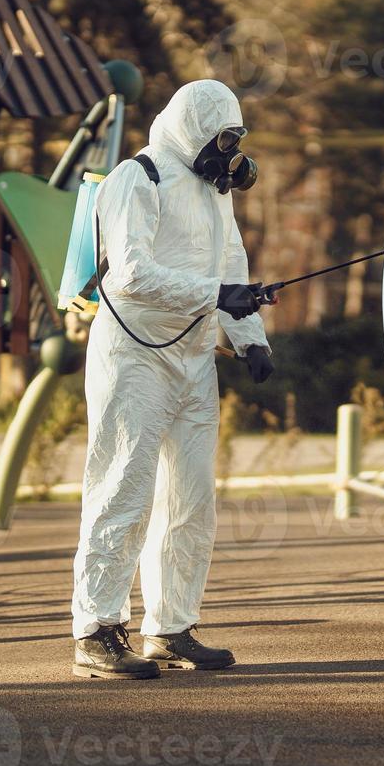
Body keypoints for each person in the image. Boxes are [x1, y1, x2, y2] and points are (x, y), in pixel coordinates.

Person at [72, 80, 275, 680]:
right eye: (223, 136)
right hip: (133, 357)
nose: (229, 149)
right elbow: (130, 274)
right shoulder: (137, 178)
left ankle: (171, 628)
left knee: (191, 500)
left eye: (235, 138)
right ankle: (97, 631)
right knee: (122, 490)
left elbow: (230, 260)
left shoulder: (215, 190)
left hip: (193, 356)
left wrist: (250, 337)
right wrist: (219, 296)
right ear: (192, 126)